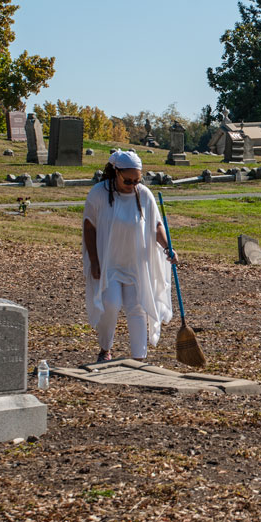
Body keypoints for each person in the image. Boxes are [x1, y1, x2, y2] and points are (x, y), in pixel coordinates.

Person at [83, 150, 177, 363]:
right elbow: (89, 227)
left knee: (138, 307)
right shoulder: (98, 193)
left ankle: (138, 357)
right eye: (128, 180)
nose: (133, 185)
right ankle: (105, 349)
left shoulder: (143, 194)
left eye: (137, 180)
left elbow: (156, 225)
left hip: (136, 263)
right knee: (110, 304)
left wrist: (167, 247)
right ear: (115, 172)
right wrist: (95, 261)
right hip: (109, 263)